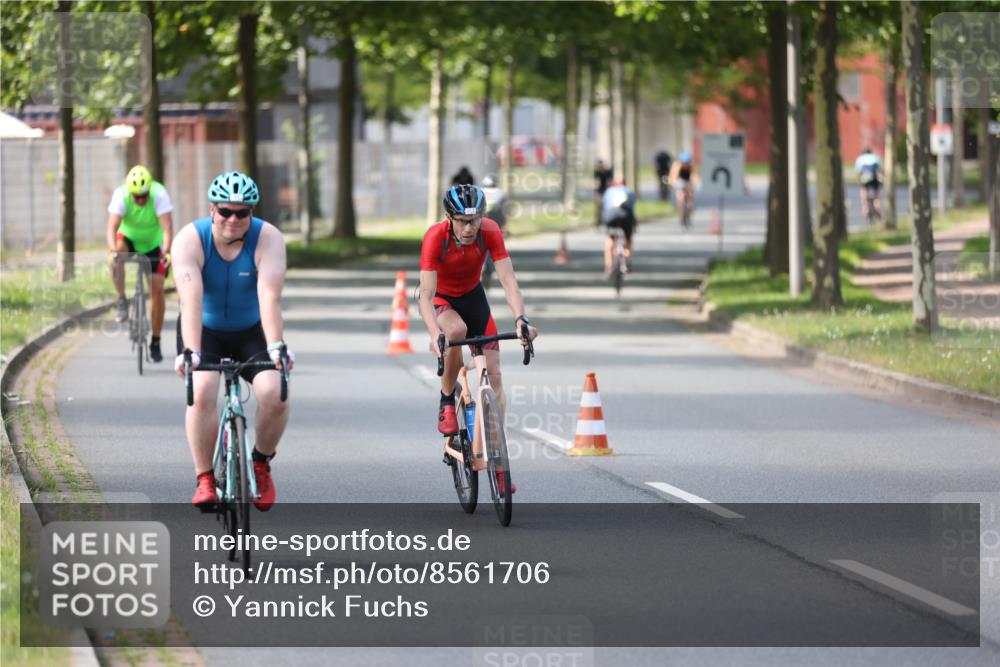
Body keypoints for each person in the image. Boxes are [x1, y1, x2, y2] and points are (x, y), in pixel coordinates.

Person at [171, 171, 293, 510]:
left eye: (243, 212)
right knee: (204, 388)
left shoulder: (268, 238)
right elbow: (190, 300)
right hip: (204, 330)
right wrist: (191, 352)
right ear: (212, 209)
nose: (233, 220)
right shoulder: (189, 240)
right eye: (226, 211)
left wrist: (277, 347)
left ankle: (260, 463)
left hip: (251, 330)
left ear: (252, 213)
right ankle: (205, 478)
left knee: (275, 391)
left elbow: (269, 296)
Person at [418, 184, 538, 445]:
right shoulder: (435, 237)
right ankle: (447, 399)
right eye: (462, 221)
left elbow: (508, 281)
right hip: (442, 299)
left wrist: (520, 318)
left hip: (474, 298)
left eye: (473, 220)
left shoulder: (490, 231)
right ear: (450, 218)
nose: (469, 228)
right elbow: (425, 295)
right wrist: (434, 333)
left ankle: (496, 455)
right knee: (456, 331)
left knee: (494, 372)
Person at [107, 165, 173, 362]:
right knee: (116, 256)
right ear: (130, 192)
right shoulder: (121, 195)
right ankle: (121, 300)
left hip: (153, 243)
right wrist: (112, 252)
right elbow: (111, 228)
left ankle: (156, 340)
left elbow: (168, 229)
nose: (141, 200)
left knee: (157, 290)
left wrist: (167, 252)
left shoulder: (159, 194)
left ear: (149, 189)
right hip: (129, 238)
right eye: (137, 196)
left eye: (144, 196)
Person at [601, 179, 637, 274]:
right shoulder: (629, 191)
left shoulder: (609, 191)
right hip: (626, 216)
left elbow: (604, 205)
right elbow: (632, 206)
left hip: (611, 216)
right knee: (628, 239)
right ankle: (627, 258)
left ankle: (608, 266)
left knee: (610, 239)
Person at [668, 151, 697, 228]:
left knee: (690, 196)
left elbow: (693, 175)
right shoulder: (677, 166)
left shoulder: (690, 166)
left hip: (687, 181)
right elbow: (673, 176)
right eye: (684, 162)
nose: (685, 164)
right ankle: (681, 213)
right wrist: (672, 184)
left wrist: (693, 184)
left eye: (687, 162)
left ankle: (688, 213)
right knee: (680, 197)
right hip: (679, 181)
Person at [854, 147, 882, 221]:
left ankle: (865, 207)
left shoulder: (860, 159)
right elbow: (881, 170)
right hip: (875, 178)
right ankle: (877, 207)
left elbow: (858, 172)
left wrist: (858, 179)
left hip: (865, 178)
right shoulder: (876, 158)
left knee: (864, 191)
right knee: (877, 194)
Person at [593, 159, 614, 226]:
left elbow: (610, 181)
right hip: (600, 191)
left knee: (608, 206)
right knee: (599, 206)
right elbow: (595, 181)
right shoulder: (597, 172)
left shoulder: (608, 172)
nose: (600, 168)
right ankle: (598, 221)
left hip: (608, 191)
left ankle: (608, 219)